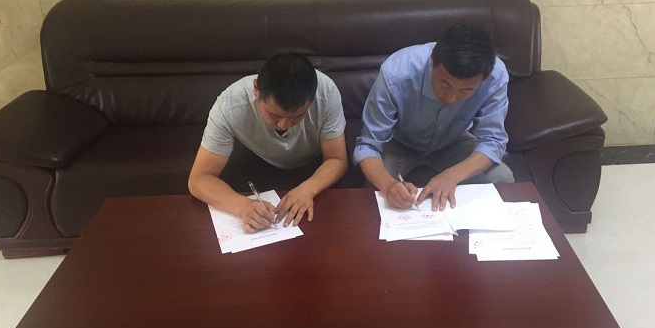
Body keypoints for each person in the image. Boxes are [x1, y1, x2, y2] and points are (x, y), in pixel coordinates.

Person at [353, 23, 513, 212]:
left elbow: (493, 141)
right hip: (398, 143)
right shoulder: (395, 74)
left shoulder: (496, 77)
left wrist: (452, 175)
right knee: (377, 191)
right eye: (445, 84)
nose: (451, 98)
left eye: (466, 90)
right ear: (432, 62)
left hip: (453, 141)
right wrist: (389, 186)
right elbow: (368, 146)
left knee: (502, 177)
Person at [188, 53, 348, 232]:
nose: (284, 125)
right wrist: (243, 206)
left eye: (297, 117)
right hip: (260, 161)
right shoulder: (231, 104)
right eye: (274, 115)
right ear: (256, 89)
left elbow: (336, 159)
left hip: (314, 163)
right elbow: (199, 179)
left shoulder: (326, 93)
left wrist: (308, 188)